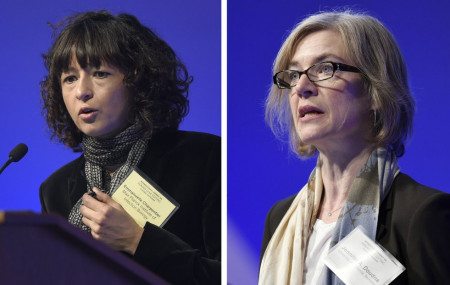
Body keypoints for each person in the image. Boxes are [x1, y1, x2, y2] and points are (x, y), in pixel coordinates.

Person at [259, 10, 450, 285]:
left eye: (325, 68)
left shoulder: (423, 217)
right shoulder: (279, 219)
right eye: (293, 74)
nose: (301, 87)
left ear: (376, 91)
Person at [39, 11, 220, 284]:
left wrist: (138, 240)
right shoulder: (55, 190)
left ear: (139, 82)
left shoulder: (203, 158)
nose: (81, 91)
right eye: (70, 78)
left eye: (100, 73)